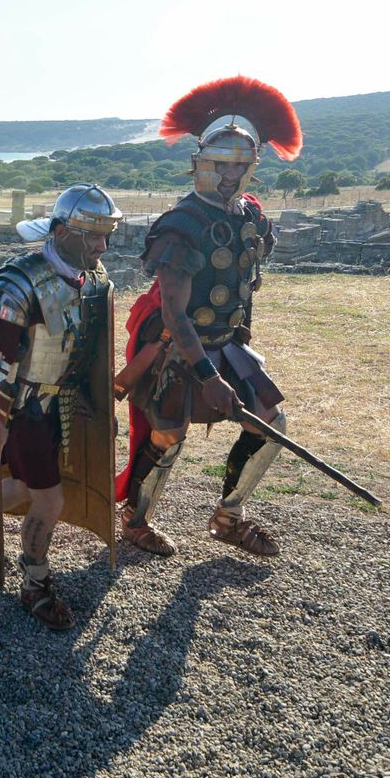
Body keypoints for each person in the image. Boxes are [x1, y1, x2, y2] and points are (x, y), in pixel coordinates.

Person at [117, 76, 302, 558]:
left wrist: (237, 352)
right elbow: (176, 313)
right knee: (168, 434)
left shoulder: (252, 217)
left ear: (253, 168)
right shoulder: (182, 225)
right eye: (219, 164)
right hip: (175, 347)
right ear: (199, 163)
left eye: (240, 165)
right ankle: (136, 521)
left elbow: (246, 288)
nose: (228, 175)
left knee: (270, 421)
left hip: (225, 341)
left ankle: (229, 516)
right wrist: (207, 377)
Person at [0, 183, 121, 629]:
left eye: (107, 235)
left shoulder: (92, 278)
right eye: (93, 236)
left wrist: (96, 398)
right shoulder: (19, 282)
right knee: (51, 500)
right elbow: (0, 362)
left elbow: (85, 348)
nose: (102, 246)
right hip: (23, 409)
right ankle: (35, 581)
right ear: (63, 230)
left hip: (58, 405)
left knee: (30, 489)